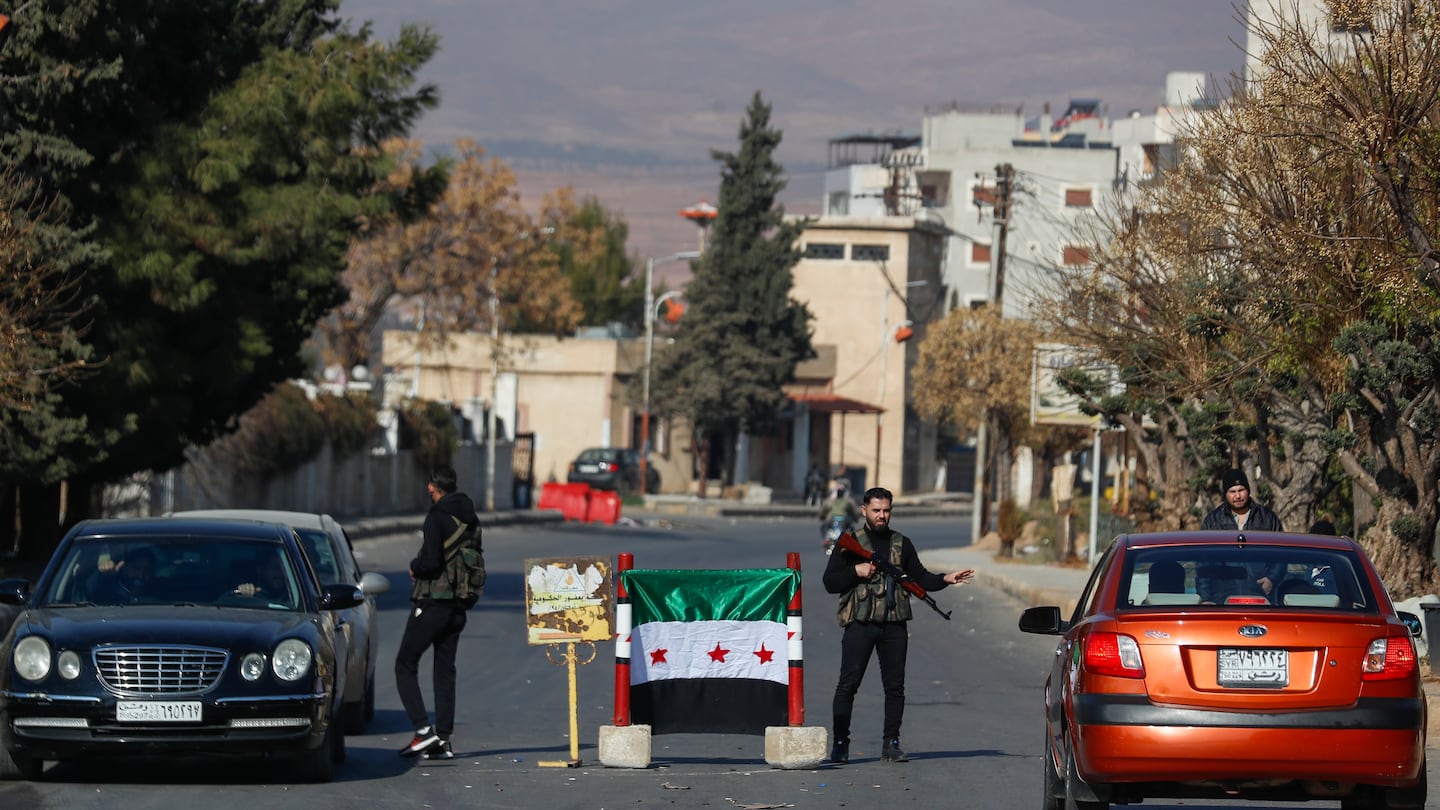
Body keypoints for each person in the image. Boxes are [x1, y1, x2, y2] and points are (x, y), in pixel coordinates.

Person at [823, 486, 974, 764]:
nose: (882, 515)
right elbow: (830, 582)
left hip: (894, 625)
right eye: (876, 510)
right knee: (848, 685)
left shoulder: (901, 543)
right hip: (860, 624)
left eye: (886, 510)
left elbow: (919, 578)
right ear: (864, 510)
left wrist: (945, 579)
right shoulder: (850, 542)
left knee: (895, 687)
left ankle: (891, 743)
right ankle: (841, 743)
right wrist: (854, 571)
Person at [395, 465, 479, 761]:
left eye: (429, 486)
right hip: (459, 605)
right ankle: (443, 739)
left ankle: (422, 729)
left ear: (434, 487)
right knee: (445, 670)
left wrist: (414, 566)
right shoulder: (470, 517)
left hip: (432, 602)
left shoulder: (437, 517)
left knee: (404, 665)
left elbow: (430, 562)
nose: (427, 490)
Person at [1200, 468, 1285, 599]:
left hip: (1260, 596)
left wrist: (1271, 579)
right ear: (1225, 494)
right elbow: (1203, 562)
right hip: (1222, 597)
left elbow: (1281, 555)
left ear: (1248, 490)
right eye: (1232, 492)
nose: (1238, 496)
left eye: (1241, 490)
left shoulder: (1267, 518)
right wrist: (1206, 598)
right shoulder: (1213, 521)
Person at [87, 547, 157, 604]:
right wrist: (101, 574)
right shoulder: (107, 591)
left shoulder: (161, 594)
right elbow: (88, 595)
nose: (140, 576)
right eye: (136, 568)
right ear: (124, 567)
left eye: (147, 570)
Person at [818, 480, 862, 554]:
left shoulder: (829, 501)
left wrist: (822, 517)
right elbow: (855, 512)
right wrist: (856, 518)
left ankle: (826, 539)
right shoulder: (849, 501)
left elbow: (823, 511)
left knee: (824, 527)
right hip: (844, 520)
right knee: (851, 529)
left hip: (831, 519)